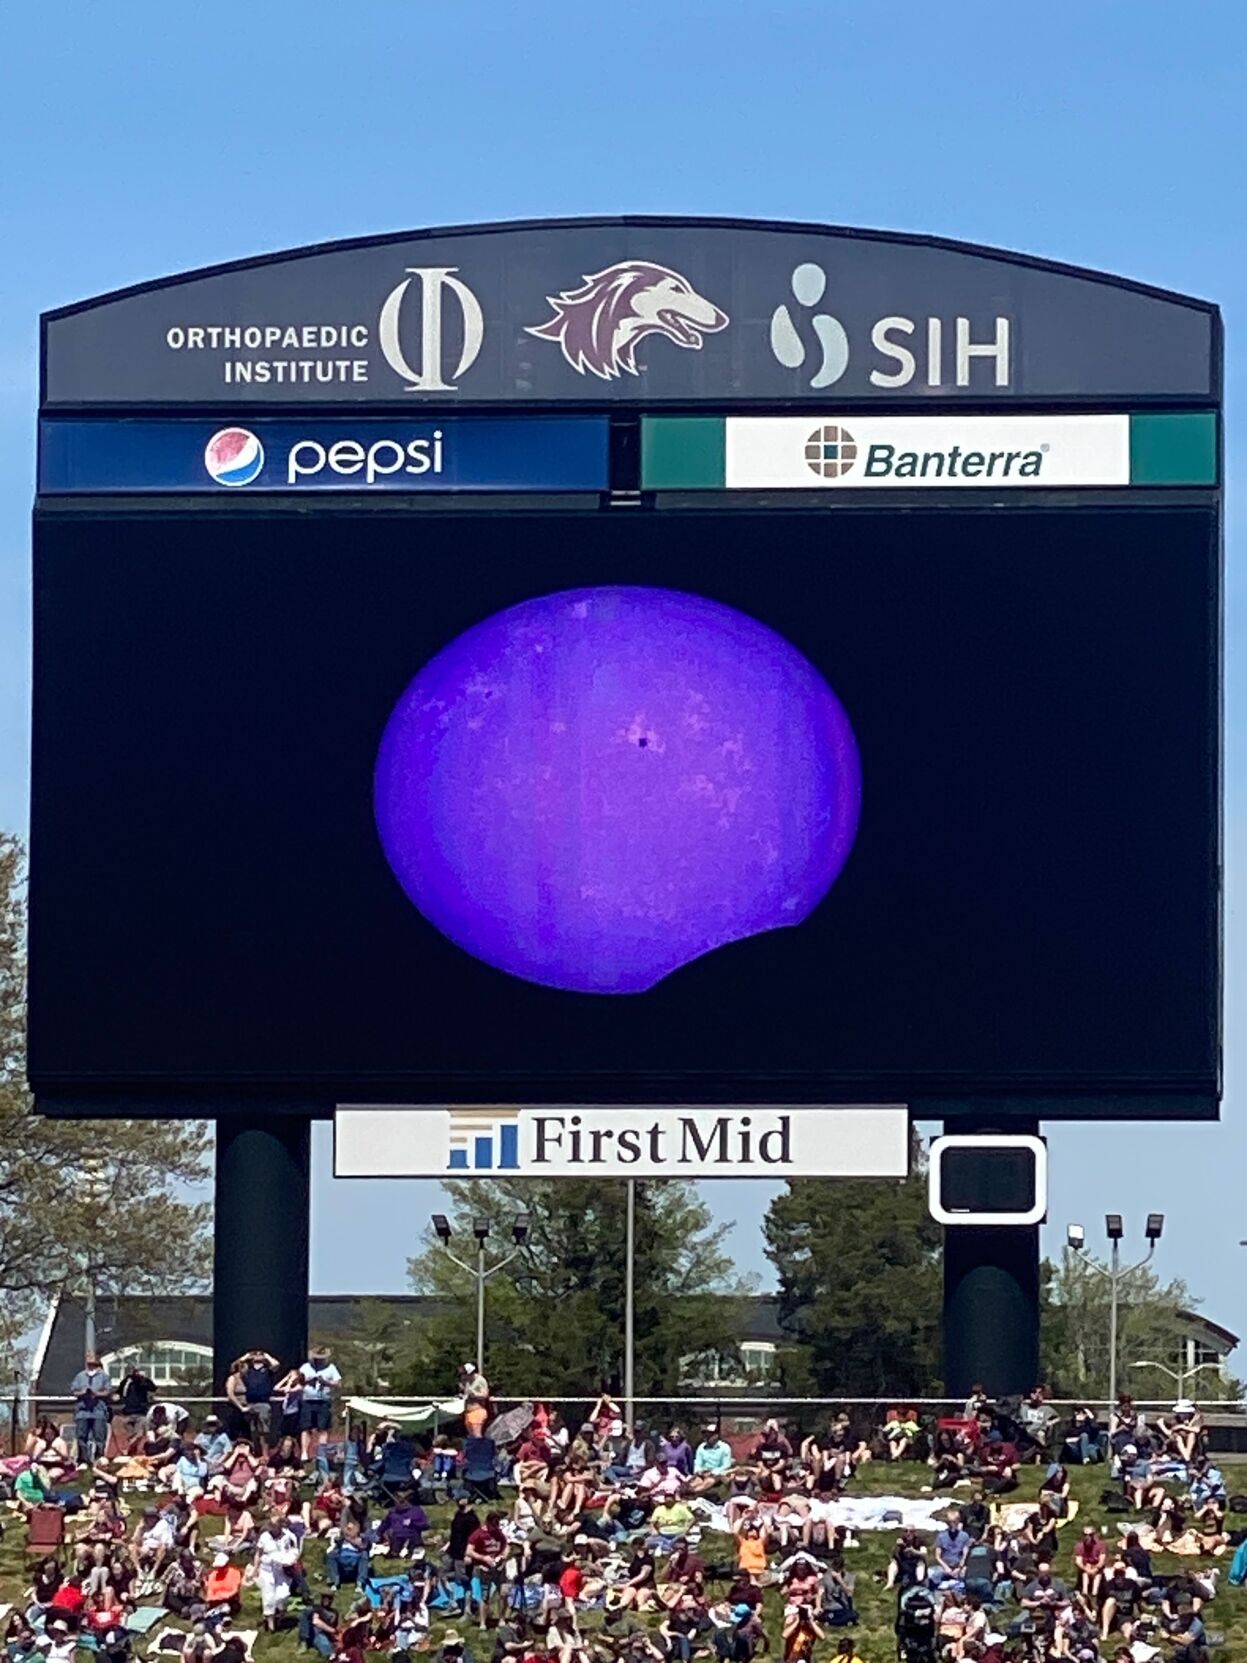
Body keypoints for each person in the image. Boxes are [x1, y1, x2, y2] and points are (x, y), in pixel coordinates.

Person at [254, 1508, 301, 1631]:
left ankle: (280, 1615)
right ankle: (271, 1625)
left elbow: (294, 1551)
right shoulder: (264, 1537)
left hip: (282, 1570)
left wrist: (292, 1560)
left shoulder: (288, 1537)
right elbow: (258, 1553)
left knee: (283, 1594)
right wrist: (255, 1569)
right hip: (267, 1570)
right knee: (268, 1596)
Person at [226, 1349, 280, 1455]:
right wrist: (246, 1356)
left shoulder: (267, 1370)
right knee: (253, 1431)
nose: (258, 1356)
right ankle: (255, 1452)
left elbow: (276, 1364)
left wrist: (267, 1356)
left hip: (263, 1404)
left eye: (260, 1354)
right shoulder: (248, 1371)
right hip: (250, 1404)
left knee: (264, 1431)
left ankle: (265, 1455)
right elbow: (235, 1366)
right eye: (256, 1354)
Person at [298, 1347, 342, 1460]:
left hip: (323, 1401)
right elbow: (298, 1381)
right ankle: (304, 1453)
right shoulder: (305, 1367)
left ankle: (321, 1452)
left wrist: (325, 1382)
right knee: (306, 1427)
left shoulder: (331, 1368)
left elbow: (338, 1383)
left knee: (323, 1428)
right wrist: (309, 1381)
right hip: (308, 1400)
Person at [71, 1352, 113, 1465]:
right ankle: (83, 1461)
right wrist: (83, 1392)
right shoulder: (80, 1376)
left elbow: (108, 1391)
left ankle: (99, 1460)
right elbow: (74, 1391)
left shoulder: (104, 1376)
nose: (89, 1358)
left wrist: (96, 1393)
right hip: (83, 1412)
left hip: (98, 1411)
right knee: (81, 1437)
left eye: (92, 1356)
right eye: (87, 1357)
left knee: (99, 1437)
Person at [929, 1511, 972, 1589]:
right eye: (950, 1522)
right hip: (944, 1567)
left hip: (958, 1567)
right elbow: (937, 1556)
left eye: (954, 1522)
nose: (952, 1524)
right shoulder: (941, 1536)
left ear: (958, 1521)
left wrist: (959, 1568)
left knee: (968, 1575)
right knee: (931, 1573)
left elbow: (965, 1555)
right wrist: (946, 1568)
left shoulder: (964, 1536)